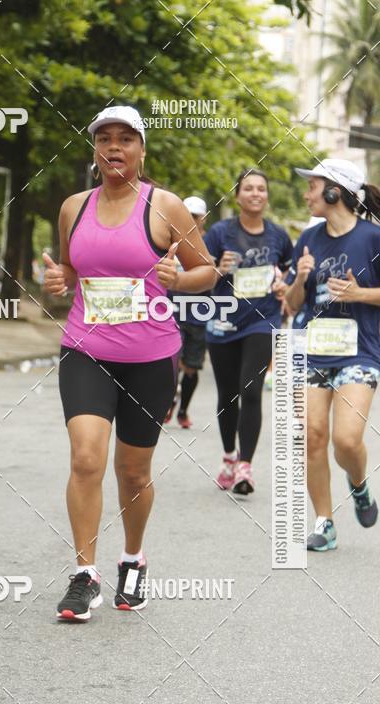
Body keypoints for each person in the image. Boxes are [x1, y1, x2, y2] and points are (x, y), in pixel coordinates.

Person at [43, 105, 215, 621]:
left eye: (125, 139)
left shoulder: (164, 208)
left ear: (141, 150)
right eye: (104, 140)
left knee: (133, 472)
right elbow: (73, 269)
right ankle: (84, 575)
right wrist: (61, 282)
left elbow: (204, 270)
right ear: (94, 151)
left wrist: (179, 281)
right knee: (86, 459)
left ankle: (133, 559)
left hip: (151, 358)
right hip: (85, 350)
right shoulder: (74, 206)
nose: (114, 148)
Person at [285, 158, 380, 551]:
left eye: (314, 186)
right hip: (312, 349)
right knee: (312, 435)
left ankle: (358, 484)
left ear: (333, 191)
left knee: (345, 439)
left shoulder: (373, 239)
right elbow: (290, 304)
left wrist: (359, 294)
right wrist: (302, 277)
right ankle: (324, 522)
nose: (307, 194)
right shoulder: (307, 239)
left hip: (360, 351)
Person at [204, 168, 293, 495]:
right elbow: (197, 276)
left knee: (250, 391)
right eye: (249, 188)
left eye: (261, 189)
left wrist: (285, 283)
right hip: (223, 320)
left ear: (266, 196)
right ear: (237, 195)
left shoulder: (279, 236)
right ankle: (229, 456)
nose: (256, 193)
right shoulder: (218, 233)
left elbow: (290, 269)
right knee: (227, 394)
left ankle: (245, 466)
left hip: (262, 320)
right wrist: (218, 269)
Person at [165, 195, 209, 428]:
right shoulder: (169, 240)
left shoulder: (210, 243)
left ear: (202, 219)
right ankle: (168, 402)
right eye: (187, 215)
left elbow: (217, 277)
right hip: (171, 313)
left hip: (200, 314)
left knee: (191, 367)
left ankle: (182, 410)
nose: (190, 220)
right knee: (171, 362)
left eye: (194, 216)